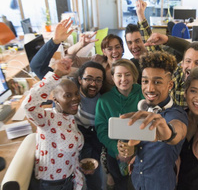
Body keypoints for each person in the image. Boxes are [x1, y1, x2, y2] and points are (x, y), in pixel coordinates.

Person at [30, 18, 107, 190]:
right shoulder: (67, 89)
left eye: (98, 80)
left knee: (97, 183)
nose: (93, 84)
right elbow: (37, 66)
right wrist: (55, 41)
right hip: (58, 156)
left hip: (88, 145)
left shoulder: (103, 100)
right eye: (88, 79)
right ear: (79, 79)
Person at [119, 51, 188, 190]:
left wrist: (168, 134)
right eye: (145, 81)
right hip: (136, 181)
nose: (149, 88)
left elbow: (177, 131)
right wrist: (126, 150)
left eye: (157, 82)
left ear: (170, 85)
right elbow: (132, 154)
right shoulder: (142, 111)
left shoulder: (177, 114)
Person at [23, 59, 84, 190]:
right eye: (68, 95)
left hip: (68, 180)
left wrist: (78, 168)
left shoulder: (69, 117)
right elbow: (28, 106)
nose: (75, 98)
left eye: (76, 94)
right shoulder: (47, 119)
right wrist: (55, 76)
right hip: (52, 185)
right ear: (55, 99)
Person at [95, 59, 144, 190]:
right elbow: (101, 130)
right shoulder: (104, 101)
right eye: (119, 75)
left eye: (127, 74)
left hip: (143, 153)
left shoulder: (144, 93)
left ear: (134, 75)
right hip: (116, 156)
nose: (123, 79)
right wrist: (117, 150)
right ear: (112, 77)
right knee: (121, 185)